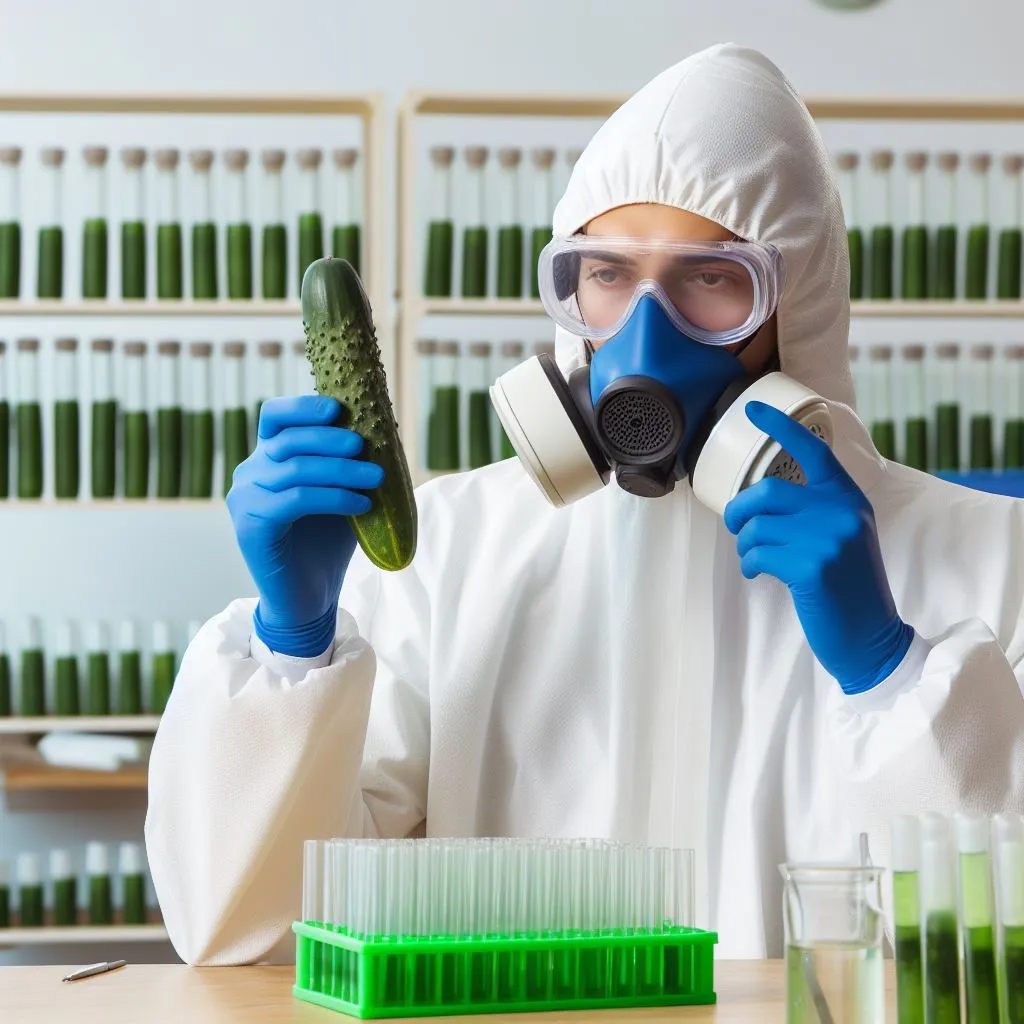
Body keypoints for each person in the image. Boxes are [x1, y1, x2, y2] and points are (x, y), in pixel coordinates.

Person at [145, 44, 1024, 966]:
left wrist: (892, 675)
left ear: (796, 310)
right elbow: (252, 932)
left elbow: (993, 948)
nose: (644, 334)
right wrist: (294, 650)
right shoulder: (453, 550)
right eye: (605, 275)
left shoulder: (992, 559)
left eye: (712, 280)